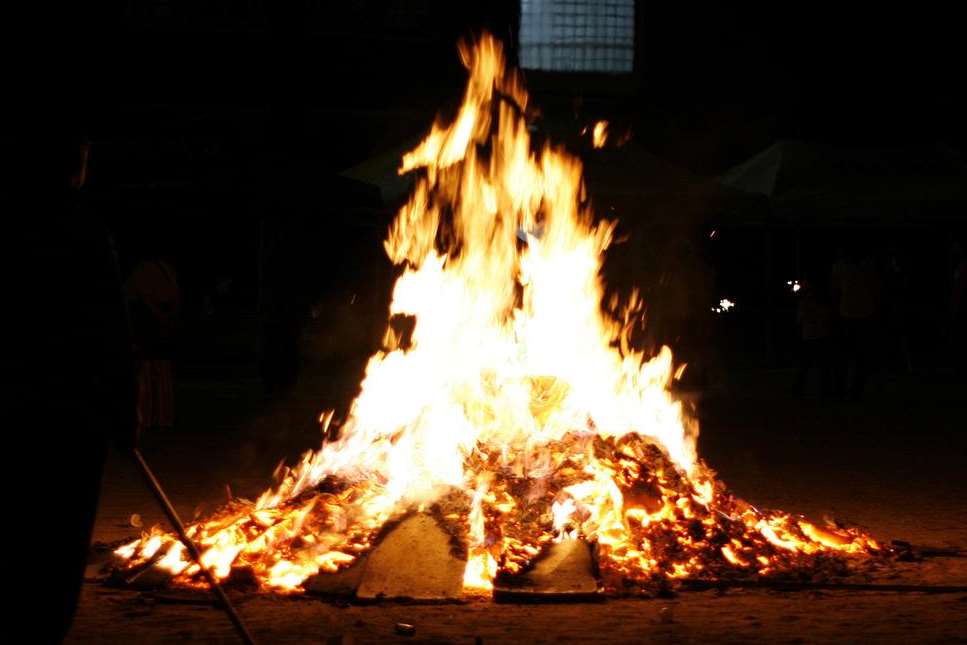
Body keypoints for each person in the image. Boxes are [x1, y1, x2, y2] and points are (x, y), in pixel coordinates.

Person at [16, 131, 138, 642]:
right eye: (84, 158)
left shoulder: (11, 218)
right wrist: (124, 410)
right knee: (60, 537)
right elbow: (110, 325)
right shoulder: (79, 226)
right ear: (73, 166)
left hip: (21, 405)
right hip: (70, 411)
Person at [126, 253, 180, 432]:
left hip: (152, 324)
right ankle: (155, 418)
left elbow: (141, 295)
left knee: (156, 372)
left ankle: (157, 418)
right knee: (151, 373)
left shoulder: (153, 269)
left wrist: (160, 315)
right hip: (152, 323)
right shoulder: (158, 269)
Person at [830, 242, 879, 399]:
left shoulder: (841, 267)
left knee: (843, 355)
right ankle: (855, 390)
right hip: (864, 315)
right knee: (860, 356)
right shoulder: (869, 266)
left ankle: (842, 389)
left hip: (847, 314)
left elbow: (835, 291)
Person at [793, 276, 834, 395]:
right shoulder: (817, 303)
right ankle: (823, 390)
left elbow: (800, 321)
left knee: (810, 366)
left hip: (813, 336)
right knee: (819, 366)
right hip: (816, 336)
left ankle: (801, 389)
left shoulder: (807, 303)